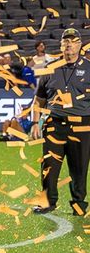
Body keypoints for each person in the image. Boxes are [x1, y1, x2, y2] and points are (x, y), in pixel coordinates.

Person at [34, 27, 90, 215]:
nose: (68, 44)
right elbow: (39, 99)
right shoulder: (51, 68)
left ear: (80, 45)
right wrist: (35, 122)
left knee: (79, 167)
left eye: (73, 41)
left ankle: (78, 204)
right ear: (60, 44)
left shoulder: (89, 68)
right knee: (49, 165)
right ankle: (47, 201)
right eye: (65, 40)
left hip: (81, 125)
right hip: (54, 124)